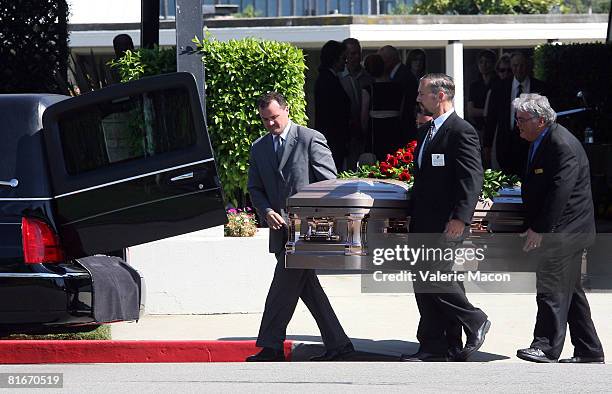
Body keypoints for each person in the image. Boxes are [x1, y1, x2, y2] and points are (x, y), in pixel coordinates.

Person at [246, 92, 354, 362]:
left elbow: (329, 184)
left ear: (286, 110)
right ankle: (338, 344)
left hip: (309, 230)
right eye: (265, 120)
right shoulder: (259, 147)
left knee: (282, 284)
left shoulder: (309, 138)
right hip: (280, 230)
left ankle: (270, 346)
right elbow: (255, 188)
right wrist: (267, 211)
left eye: (274, 117)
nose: (270, 124)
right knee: (306, 288)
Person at [403, 74, 490, 362]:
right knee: (425, 282)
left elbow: (471, 179)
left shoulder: (460, 131)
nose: (418, 98)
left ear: (440, 96)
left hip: (447, 223)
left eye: (422, 93)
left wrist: (461, 218)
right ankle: (439, 344)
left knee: (436, 277)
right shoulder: (427, 131)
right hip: (423, 221)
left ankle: (475, 320)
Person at [513, 93, 604, 364]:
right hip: (563, 229)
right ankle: (589, 350)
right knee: (571, 292)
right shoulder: (543, 139)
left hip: (565, 231)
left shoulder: (560, 143)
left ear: (540, 120)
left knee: (551, 287)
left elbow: (559, 192)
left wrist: (539, 229)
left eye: (522, 120)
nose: (518, 124)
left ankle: (545, 346)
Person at [484, 52, 547, 177]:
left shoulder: (540, 87)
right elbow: (491, 119)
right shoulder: (500, 87)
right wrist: (487, 146)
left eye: (522, 65)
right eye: (515, 65)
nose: (518, 69)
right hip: (506, 144)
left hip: (531, 143)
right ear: (511, 66)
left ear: (528, 66)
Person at [315, 40, 351, 172]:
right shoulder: (328, 80)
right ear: (334, 59)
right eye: (343, 58)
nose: (345, 62)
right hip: (333, 137)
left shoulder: (329, 78)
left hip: (334, 136)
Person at [361, 53, 404, 160]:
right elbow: (402, 114)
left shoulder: (368, 89)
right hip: (394, 130)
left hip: (374, 133)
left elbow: (364, 118)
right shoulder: (400, 88)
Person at [340, 38, 374, 169]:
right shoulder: (339, 77)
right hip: (346, 132)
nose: (357, 57)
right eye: (352, 53)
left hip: (365, 133)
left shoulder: (369, 77)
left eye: (358, 53)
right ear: (345, 55)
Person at [378, 45, 418, 141]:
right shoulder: (397, 73)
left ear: (389, 59)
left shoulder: (403, 75)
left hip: (403, 127)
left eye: (381, 60)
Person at [467, 50, 497, 146]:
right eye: (481, 62)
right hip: (477, 128)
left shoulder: (498, 84)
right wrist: (487, 112)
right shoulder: (474, 86)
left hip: (495, 127)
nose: (484, 65)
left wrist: (484, 112)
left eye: (487, 62)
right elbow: (470, 111)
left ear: (493, 64)